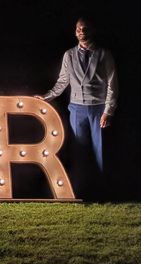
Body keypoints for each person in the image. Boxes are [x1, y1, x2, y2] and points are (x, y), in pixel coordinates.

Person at [36, 18, 118, 198]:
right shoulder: (69, 55)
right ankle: (81, 190)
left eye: (85, 28)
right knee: (79, 151)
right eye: (78, 29)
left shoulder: (104, 54)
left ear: (92, 30)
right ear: (75, 32)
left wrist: (108, 111)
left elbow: (112, 84)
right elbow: (63, 81)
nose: (81, 31)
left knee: (100, 151)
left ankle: (103, 191)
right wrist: (46, 97)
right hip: (76, 109)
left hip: (98, 109)